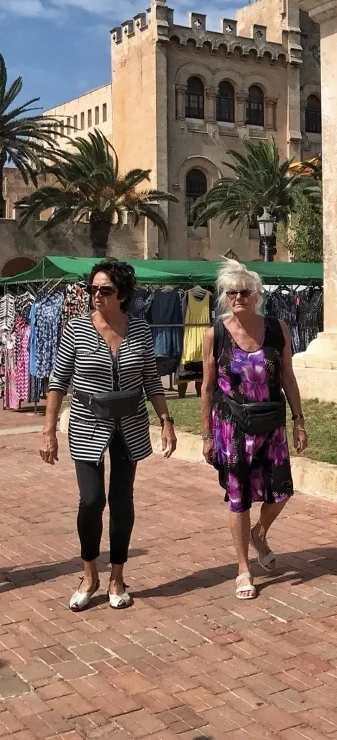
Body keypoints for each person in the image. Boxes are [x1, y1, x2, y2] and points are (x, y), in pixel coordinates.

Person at [41, 259, 177, 611]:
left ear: (124, 295)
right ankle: (90, 573)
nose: (96, 296)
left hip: (129, 426)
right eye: (93, 289)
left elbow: (151, 380)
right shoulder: (76, 329)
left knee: (121, 500)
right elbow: (58, 380)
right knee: (90, 501)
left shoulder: (140, 331)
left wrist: (165, 420)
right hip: (87, 423)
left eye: (106, 290)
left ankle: (117, 576)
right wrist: (49, 429)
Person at [201, 259, 308, 600]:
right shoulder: (215, 333)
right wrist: (206, 435)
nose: (238, 297)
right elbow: (206, 387)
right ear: (224, 296)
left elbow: (288, 377)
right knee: (239, 499)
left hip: (272, 424)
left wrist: (298, 419)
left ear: (257, 295)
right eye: (231, 292)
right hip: (233, 426)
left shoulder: (277, 329)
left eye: (244, 292)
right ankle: (243, 568)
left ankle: (259, 534)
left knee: (282, 491)